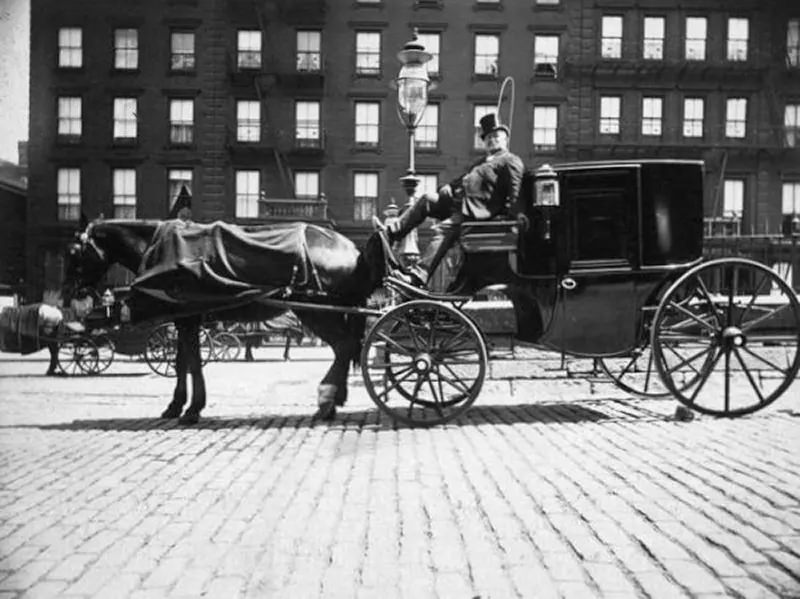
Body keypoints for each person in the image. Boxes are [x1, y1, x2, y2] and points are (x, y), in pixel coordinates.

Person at [387, 112, 524, 287]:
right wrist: (447, 188)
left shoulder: (510, 161)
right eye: (488, 137)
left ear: (505, 139)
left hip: (478, 215)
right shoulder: (480, 162)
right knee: (427, 199)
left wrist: (514, 215)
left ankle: (417, 276)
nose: (492, 140)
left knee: (444, 229)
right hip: (459, 204)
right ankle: (391, 233)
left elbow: (516, 192)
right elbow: (461, 181)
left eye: (496, 136)